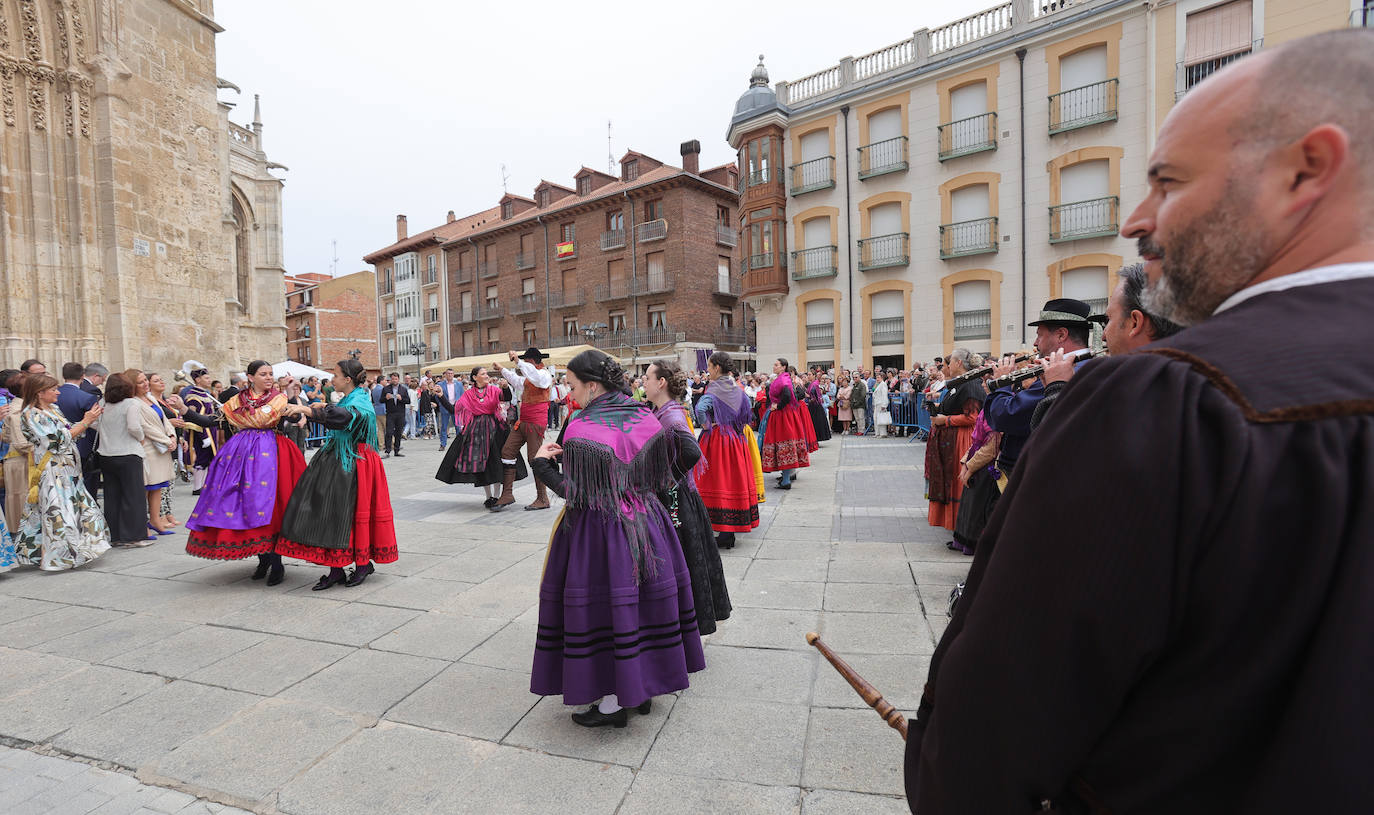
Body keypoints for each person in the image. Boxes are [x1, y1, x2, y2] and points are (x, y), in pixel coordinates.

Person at [907, 29, 1374, 813]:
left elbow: (987, 739)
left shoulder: (1167, 401)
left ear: (1307, 170)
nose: (1136, 219)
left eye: (1168, 180)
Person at [528, 349, 704, 728]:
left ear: (592, 386)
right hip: (648, 522)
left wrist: (541, 464)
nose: (568, 393)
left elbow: (578, 494)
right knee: (638, 608)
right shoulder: (646, 416)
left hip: (600, 532)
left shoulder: (580, 428)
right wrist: (644, 490)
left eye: (572, 385)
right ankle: (639, 689)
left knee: (606, 612)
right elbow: (681, 458)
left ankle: (611, 704)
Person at [277, 359, 397, 590]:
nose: (332, 380)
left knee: (348, 514)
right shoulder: (351, 397)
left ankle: (362, 565)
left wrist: (306, 408)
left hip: (355, 462)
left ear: (347, 379)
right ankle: (335, 569)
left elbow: (344, 417)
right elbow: (338, 414)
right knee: (330, 512)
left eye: (336, 375)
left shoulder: (360, 399)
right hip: (340, 459)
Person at [184, 361, 307, 586]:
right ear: (250, 377)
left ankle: (276, 561)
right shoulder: (236, 401)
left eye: (271, 374)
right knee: (246, 504)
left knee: (274, 505)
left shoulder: (279, 397)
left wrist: (290, 397)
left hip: (274, 454)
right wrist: (185, 412)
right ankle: (263, 558)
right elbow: (213, 422)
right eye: (263, 374)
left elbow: (294, 419)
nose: (269, 377)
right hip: (241, 455)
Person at [645, 359, 731, 636]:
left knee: (682, 562)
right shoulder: (664, 411)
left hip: (676, 501)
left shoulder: (670, 416)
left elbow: (691, 452)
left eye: (647, 377)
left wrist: (666, 478)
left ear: (661, 383)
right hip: (677, 498)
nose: (643, 382)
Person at [982, 298, 1095, 477]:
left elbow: (1006, 415)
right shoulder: (1089, 365)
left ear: (1061, 335)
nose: (1035, 343)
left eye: (1039, 335)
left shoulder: (1064, 371)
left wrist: (1002, 383)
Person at [12, 373, 110, 570]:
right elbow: (55, 441)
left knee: (74, 510)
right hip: (52, 470)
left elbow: (69, 432)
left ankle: (78, 551)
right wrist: (85, 421)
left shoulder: (53, 409)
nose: (58, 392)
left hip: (69, 469)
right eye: (53, 389)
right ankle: (57, 557)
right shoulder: (32, 414)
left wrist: (85, 423)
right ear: (40, 393)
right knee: (58, 512)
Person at [434, 366, 528, 507]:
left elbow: (506, 398)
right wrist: (441, 395)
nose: (486, 375)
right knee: (481, 463)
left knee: (496, 461)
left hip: (495, 428)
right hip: (475, 430)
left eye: (486, 373)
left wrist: (505, 387)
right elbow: (454, 409)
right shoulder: (468, 394)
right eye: (483, 373)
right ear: (474, 378)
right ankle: (488, 496)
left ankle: (497, 496)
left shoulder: (495, 390)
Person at [923, 349, 983, 533]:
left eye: (950, 363)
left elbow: (972, 417)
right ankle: (956, 525)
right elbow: (956, 406)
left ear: (958, 363)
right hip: (952, 438)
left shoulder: (971, 385)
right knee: (951, 481)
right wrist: (939, 407)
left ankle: (962, 526)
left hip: (962, 440)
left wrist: (945, 420)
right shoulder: (959, 384)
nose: (947, 366)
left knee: (958, 483)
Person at [492, 347, 555, 511]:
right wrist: (502, 370)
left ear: (532, 361)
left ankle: (543, 498)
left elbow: (533, 376)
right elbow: (516, 380)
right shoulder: (531, 376)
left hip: (535, 422)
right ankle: (507, 494)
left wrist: (518, 362)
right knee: (507, 451)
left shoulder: (544, 375)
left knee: (534, 459)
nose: (525, 364)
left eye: (526, 361)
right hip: (524, 421)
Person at [95, 373, 153, 547]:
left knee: (112, 496)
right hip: (128, 453)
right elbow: (134, 427)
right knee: (133, 496)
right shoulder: (132, 403)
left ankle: (115, 536)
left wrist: (107, 431)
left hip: (106, 453)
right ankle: (135, 536)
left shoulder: (102, 403)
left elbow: (93, 423)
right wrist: (141, 437)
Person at [128, 370, 176, 535]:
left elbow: (164, 420)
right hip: (149, 447)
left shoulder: (151, 398)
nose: (145, 384)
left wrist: (172, 435)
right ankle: (142, 523)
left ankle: (155, 520)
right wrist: (166, 440)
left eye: (145, 381)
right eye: (141, 382)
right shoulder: (133, 403)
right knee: (147, 486)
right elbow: (144, 426)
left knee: (159, 485)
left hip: (162, 446)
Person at [759, 358, 810, 490]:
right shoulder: (784, 378)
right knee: (785, 444)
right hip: (785, 415)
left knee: (784, 444)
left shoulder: (783, 379)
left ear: (783, 367)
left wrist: (778, 406)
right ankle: (786, 477)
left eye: (776, 365)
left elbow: (787, 395)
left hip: (782, 416)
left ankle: (786, 479)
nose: (774, 366)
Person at [56, 362, 100, 501]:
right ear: (82, 376)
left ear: (63, 375)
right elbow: (96, 423)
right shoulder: (87, 397)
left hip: (58, 446)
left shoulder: (54, 394)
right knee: (86, 485)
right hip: (82, 445)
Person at [179, 368, 220, 495]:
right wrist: (204, 436)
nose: (209, 380)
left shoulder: (205, 394)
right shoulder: (192, 397)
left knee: (208, 458)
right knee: (201, 458)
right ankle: (197, 487)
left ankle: (202, 485)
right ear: (198, 380)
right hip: (200, 433)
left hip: (210, 430)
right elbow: (192, 418)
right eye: (206, 378)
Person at [1, 371, 31, 535]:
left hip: (15, 460)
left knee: (17, 499)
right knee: (22, 501)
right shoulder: (18, 410)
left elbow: (6, 437)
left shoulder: (15, 406)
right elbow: (22, 444)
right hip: (21, 462)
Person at [379, 373, 408, 457]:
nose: (394, 380)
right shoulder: (386, 389)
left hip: (400, 413)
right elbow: (381, 400)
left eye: (395, 379)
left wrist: (401, 398)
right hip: (390, 413)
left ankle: (396, 450)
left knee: (398, 432)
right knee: (389, 432)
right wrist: (386, 398)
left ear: (398, 379)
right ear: (390, 380)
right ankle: (387, 451)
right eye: (392, 379)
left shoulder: (403, 389)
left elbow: (408, 401)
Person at [434, 369, 463, 449]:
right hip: (445, 407)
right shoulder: (440, 384)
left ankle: (459, 443)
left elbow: (462, 395)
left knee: (458, 426)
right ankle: (443, 444)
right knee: (444, 426)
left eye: (451, 373)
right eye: (448, 373)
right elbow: (437, 395)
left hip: (456, 407)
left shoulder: (459, 384)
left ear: (453, 374)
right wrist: (441, 404)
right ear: (445, 375)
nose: (450, 375)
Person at [283, 381, 310, 453]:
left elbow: (307, 412)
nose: (295, 391)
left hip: (302, 426)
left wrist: (304, 421)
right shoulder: (287, 400)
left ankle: (301, 461)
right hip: (292, 426)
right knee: (293, 446)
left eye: (297, 389)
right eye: (294, 389)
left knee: (301, 446)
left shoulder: (303, 400)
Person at [872, 373, 892, 438]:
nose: (877, 379)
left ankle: (883, 433)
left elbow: (884, 395)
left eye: (878, 377)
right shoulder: (878, 384)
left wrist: (884, 405)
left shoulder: (883, 384)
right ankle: (877, 433)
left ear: (882, 378)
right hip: (877, 403)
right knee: (875, 418)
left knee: (881, 418)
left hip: (881, 403)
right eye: (876, 377)